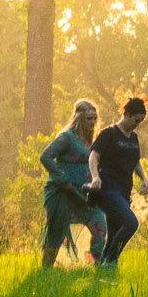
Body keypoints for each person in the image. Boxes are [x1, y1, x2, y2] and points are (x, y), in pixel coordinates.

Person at [39, 99, 107, 268]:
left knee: (99, 225)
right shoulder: (67, 137)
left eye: (94, 118)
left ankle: (98, 267)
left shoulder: (92, 140)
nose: (92, 122)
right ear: (79, 119)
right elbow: (45, 156)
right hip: (62, 192)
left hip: (84, 193)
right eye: (88, 118)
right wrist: (62, 180)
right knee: (56, 230)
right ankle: (45, 270)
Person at [87, 96, 148, 272]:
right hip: (107, 188)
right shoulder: (109, 133)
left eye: (141, 121)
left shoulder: (133, 137)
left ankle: (104, 268)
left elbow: (136, 161)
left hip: (124, 190)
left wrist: (144, 179)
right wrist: (95, 177)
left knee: (115, 231)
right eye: (136, 120)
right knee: (130, 223)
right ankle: (111, 260)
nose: (137, 124)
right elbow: (94, 156)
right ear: (127, 114)